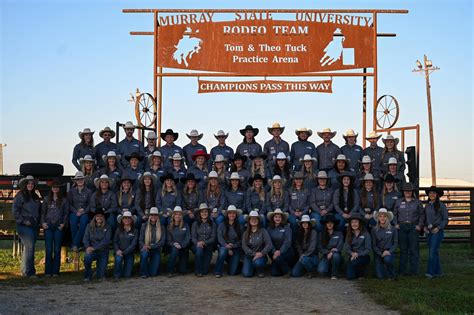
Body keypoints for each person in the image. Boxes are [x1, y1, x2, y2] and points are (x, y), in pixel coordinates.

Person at [12, 176, 41, 278]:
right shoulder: (20, 196)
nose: (30, 185)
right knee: (30, 247)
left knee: (28, 248)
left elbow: (39, 211)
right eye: (28, 183)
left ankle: (25, 271)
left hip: (34, 225)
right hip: (24, 225)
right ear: (25, 185)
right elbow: (15, 211)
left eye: (32, 184)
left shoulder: (35, 197)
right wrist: (23, 221)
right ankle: (30, 272)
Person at [393, 183, 424, 276]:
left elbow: (422, 215)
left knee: (414, 250)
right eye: (406, 191)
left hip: (413, 227)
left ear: (412, 192)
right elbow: (394, 214)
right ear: (403, 192)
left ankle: (414, 271)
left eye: (409, 191)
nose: (407, 192)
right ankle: (402, 271)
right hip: (402, 227)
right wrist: (396, 224)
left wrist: (419, 225)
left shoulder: (418, 202)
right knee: (403, 250)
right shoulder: (398, 202)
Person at [41, 179, 68, 277]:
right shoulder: (46, 199)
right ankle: (48, 271)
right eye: (54, 187)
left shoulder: (64, 200)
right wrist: (43, 223)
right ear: (51, 188)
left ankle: (56, 271)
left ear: (59, 188)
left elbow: (65, 213)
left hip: (58, 226)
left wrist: (63, 223)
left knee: (57, 249)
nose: (55, 188)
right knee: (48, 249)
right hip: (48, 225)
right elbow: (43, 212)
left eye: (57, 187)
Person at [424, 186, 448, 279]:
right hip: (429, 231)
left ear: (437, 194)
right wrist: (425, 227)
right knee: (434, 252)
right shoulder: (427, 205)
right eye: (430, 193)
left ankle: (430, 272)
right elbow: (425, 218)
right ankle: (438, 272)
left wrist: (438, 228)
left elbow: (445, 219)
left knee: (432, 251)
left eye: (434, 193)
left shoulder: (441, 205)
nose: (432, 194)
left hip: (437, 231)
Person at [83, 208, 112, 282]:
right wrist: (87, 247)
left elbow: (106, 241)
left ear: (104, 217)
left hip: (103, 252)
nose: (99, 218)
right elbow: (85, 239)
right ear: (94, 217)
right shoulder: (89, 226)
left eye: (101, 216)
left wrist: (94, 248)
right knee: (87, 257)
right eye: (97, 216)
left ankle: (99, 272)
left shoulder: (108, 227)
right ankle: (87, 275)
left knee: (101, 277)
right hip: (92, 251)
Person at [242, 211, 272, 278]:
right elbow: (244, 246)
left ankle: (260, 270)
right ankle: (251, 266)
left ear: (258, 220)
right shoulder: (245, 233)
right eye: (251, 219)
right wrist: (254, 254)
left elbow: (269, 244)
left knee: (258, 263)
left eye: (256, 218)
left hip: (261, 254)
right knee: (247, 274)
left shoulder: (263, 231)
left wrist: (262, 253)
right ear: (249, 221)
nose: (254, 220)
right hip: (249, 255)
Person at [215, 205, 243, 277]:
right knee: (223, 252)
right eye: (230, 213)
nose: (232, 215)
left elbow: (241, 240)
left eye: (233, 213)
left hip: (235, 248)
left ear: (236, 215)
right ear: (227, 215)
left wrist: (233, 246)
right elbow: (219, 237)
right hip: (224, 246)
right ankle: (218, 272)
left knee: (232, 272)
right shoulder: (222, 225)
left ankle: (237, 263)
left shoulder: (240, 226)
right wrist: (226, 246)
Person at [68, 171, 92, 252]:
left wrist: (84, 211)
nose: (80, 181)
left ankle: (75, 244)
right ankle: (78, 244)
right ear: (75, 181)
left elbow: (90, 204)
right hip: (74, 211)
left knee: (84, 222)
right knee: (73, 222)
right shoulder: (71, 191)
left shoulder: (89, 191)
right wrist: (75, 212)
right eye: (78, 179)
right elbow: (69, 204)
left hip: (85, 212)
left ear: (84, 180)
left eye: (81, 179)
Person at [371, 208, 398, 280]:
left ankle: (392, 274)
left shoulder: (393, 229)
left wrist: (389, 251)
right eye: (380, 216)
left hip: (389, 252)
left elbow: (395, 243)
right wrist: (380, 253)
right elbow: (373, 245)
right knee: (380, 276)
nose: (382, 218)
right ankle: (383, 269)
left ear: (387, 218)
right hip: (378, 253)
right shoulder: (374, 230)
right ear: (378, 218)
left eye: (384, 216)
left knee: (387, 259)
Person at [139, 207, 165, 278]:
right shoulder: (144, 226)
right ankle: (143, 272)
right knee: (144, 254)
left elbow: (162, 241)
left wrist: (151, 246)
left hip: (156, 249)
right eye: (152, 215)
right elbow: (140, 239)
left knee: (153, 273)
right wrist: (144, 246)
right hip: (146, 248)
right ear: (149, 216)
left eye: (155, 215)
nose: (153, 216)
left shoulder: (161, 227)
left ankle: (151, 270)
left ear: (157, 216)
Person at [191, 203, 216, 276]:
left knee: (205, 271)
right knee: (199, 251)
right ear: (199, 213)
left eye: (206, 212)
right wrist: (198, 243)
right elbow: (193, 237)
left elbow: (213, 238)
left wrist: (204, 242)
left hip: (208, 245)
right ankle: (197, 270)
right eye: (202, 212)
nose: (204, 213)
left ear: (208, 213)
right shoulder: (195, 223)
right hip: (197, 245)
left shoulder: (213, 224)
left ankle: (203, 269)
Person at [344, 213, 371, 280]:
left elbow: (368, 249)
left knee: (354, 262)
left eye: (356, 222)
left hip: (363, 256)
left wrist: (358, 254)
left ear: (360, 223)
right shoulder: (349, 233)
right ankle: (357, 272)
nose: (354, 224)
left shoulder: (365, 233)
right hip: (352, 256)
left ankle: (362, 271)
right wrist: (352, 253)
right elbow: (347, 248)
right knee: (349, 277)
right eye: (352, 222)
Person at [266, 209, 293, 277]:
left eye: (279, 217)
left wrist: (279, 251)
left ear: (282, 218)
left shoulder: (287, 227)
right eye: (276, 217)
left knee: (278, 258)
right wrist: (274, 251)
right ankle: (281, 267)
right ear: (273, 218)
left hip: (285, 251)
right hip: (273, 252)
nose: (278, 218)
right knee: (275, 273)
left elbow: (288, 242)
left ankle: (287, 271)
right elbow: (269, 242)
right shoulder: (269, 228)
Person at [113, 211, 138, 279]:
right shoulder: (118, 230)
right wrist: (117, 250)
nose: (127, 219)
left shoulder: (135, 231)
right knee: (118, 260)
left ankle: (126, 272)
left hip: (129, 253)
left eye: (129, 218)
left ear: (131, 220)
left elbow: (133, 245)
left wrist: (124, 252)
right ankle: (116, 275)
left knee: (127, 275)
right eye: (125, 218)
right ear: (122, 220)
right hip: (119, 252)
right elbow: (115, 241)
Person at [317, 214, 344, 279]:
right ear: (325, 224)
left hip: (336, 255)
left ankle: (334, 274)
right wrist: (328, 252)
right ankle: (329, 269)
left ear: (334, 224)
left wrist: (332, 252)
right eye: (328, 223)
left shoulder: (339, 233)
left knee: (336, 256)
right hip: (326, 255)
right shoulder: (321, 234)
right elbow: (320, 247)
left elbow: (340, 246)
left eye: (331, 222)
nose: (329, 224)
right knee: (321, 271)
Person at [167, 206, 191, 276]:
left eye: (179, 214)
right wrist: (174, 244)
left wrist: (182, 245)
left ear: (181, 216)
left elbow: (188, 238)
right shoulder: (169, 226)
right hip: (173, 247)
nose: (177, 216)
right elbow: (168, 240)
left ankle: (180, 267)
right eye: (176, 214)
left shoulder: (185, 225)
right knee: (174, 250)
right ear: (173, 215)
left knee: (182, 271)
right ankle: (170, 270)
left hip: (183, 248)